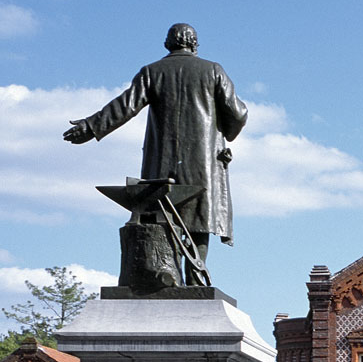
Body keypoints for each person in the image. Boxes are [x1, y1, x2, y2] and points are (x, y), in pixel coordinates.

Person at [63, 23, 248, 285]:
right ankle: (196, 278)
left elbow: (126, 105)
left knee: (163, 215)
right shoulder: (213, 71)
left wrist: (91, 126)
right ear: (195, 44)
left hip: (161, 163)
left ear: (167, 44)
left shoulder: (152, 72)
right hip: (202, 162)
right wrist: (226, 134)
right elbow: (238, 113)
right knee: (199, 218)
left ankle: (170, 275)